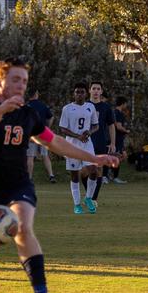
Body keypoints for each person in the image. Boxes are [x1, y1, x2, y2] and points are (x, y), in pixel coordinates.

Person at [0, 58, 120, 293]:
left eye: (24, 81)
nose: (21, 86)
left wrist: (94, 158)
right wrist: (0, 111)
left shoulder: (29, 114)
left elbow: (54, 142)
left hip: (18, 185)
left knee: (22, 224)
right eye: (15, 80)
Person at [58, 83, 98, 214]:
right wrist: (77, 136)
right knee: (74, 175)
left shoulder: (90, 107)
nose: (79, 94)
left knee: (94, 170)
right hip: (72, 145)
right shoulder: (67, 109)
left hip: (87, 144)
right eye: (77, 92)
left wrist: (89, 132)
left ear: (86, 94)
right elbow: (62, 128)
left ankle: (88, 198)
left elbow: (96, 125)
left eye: (82, 92)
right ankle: (77, 204)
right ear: (73, 94)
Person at [87, 81, 116, 201]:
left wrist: (112, 143)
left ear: (101, 91)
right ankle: (89, 194)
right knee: (86, 170)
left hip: (100, 142)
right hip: (85, 142)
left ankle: (93, 199)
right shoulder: (84, 106)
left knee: (98, 170)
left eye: (98, 89)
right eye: (94, 88)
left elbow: (111, 125)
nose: (96, 91)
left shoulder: (106, 107)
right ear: (89, 90)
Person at [25, 88, 57, 183]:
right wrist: (47, 127)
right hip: (42, 133)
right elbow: (51, 117)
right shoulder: (42, 105)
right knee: (45, 155)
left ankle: (29, 178)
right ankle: (51, 175)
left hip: (31, 135)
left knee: (30, 157)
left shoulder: (26, 107)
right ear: (36, 94)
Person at [111, 96, 131, 184]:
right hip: (117, 138)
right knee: (118, 157)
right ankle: (114, 176)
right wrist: (126, 131)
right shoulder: (118, 113)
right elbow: (118, 126)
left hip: (116, 138)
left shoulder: (113, 112)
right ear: (123, 104)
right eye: (126, 104)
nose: (126, 105)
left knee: (122, 156)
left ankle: (110, 172)